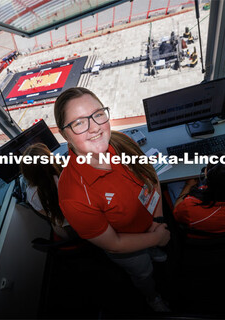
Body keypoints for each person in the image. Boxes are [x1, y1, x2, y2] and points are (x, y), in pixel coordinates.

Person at [54, 87, 171, 312]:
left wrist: (157, 220)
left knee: (157, 254)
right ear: (65, 134)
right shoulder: (73, 196)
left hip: (154, 225)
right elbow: (114, 244)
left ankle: (157, 252)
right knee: (143, 273)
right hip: (129, 248)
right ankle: (152, 297)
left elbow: (150, 176)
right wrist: (156, 239)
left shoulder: (121, 141)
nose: (95, 128)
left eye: (98, 114)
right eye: (79, 123)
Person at [20, 143, 77, 241]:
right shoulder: (69, 171)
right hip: (86, 220)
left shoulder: (31, 195)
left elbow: (46, 214)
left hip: (68, 231)